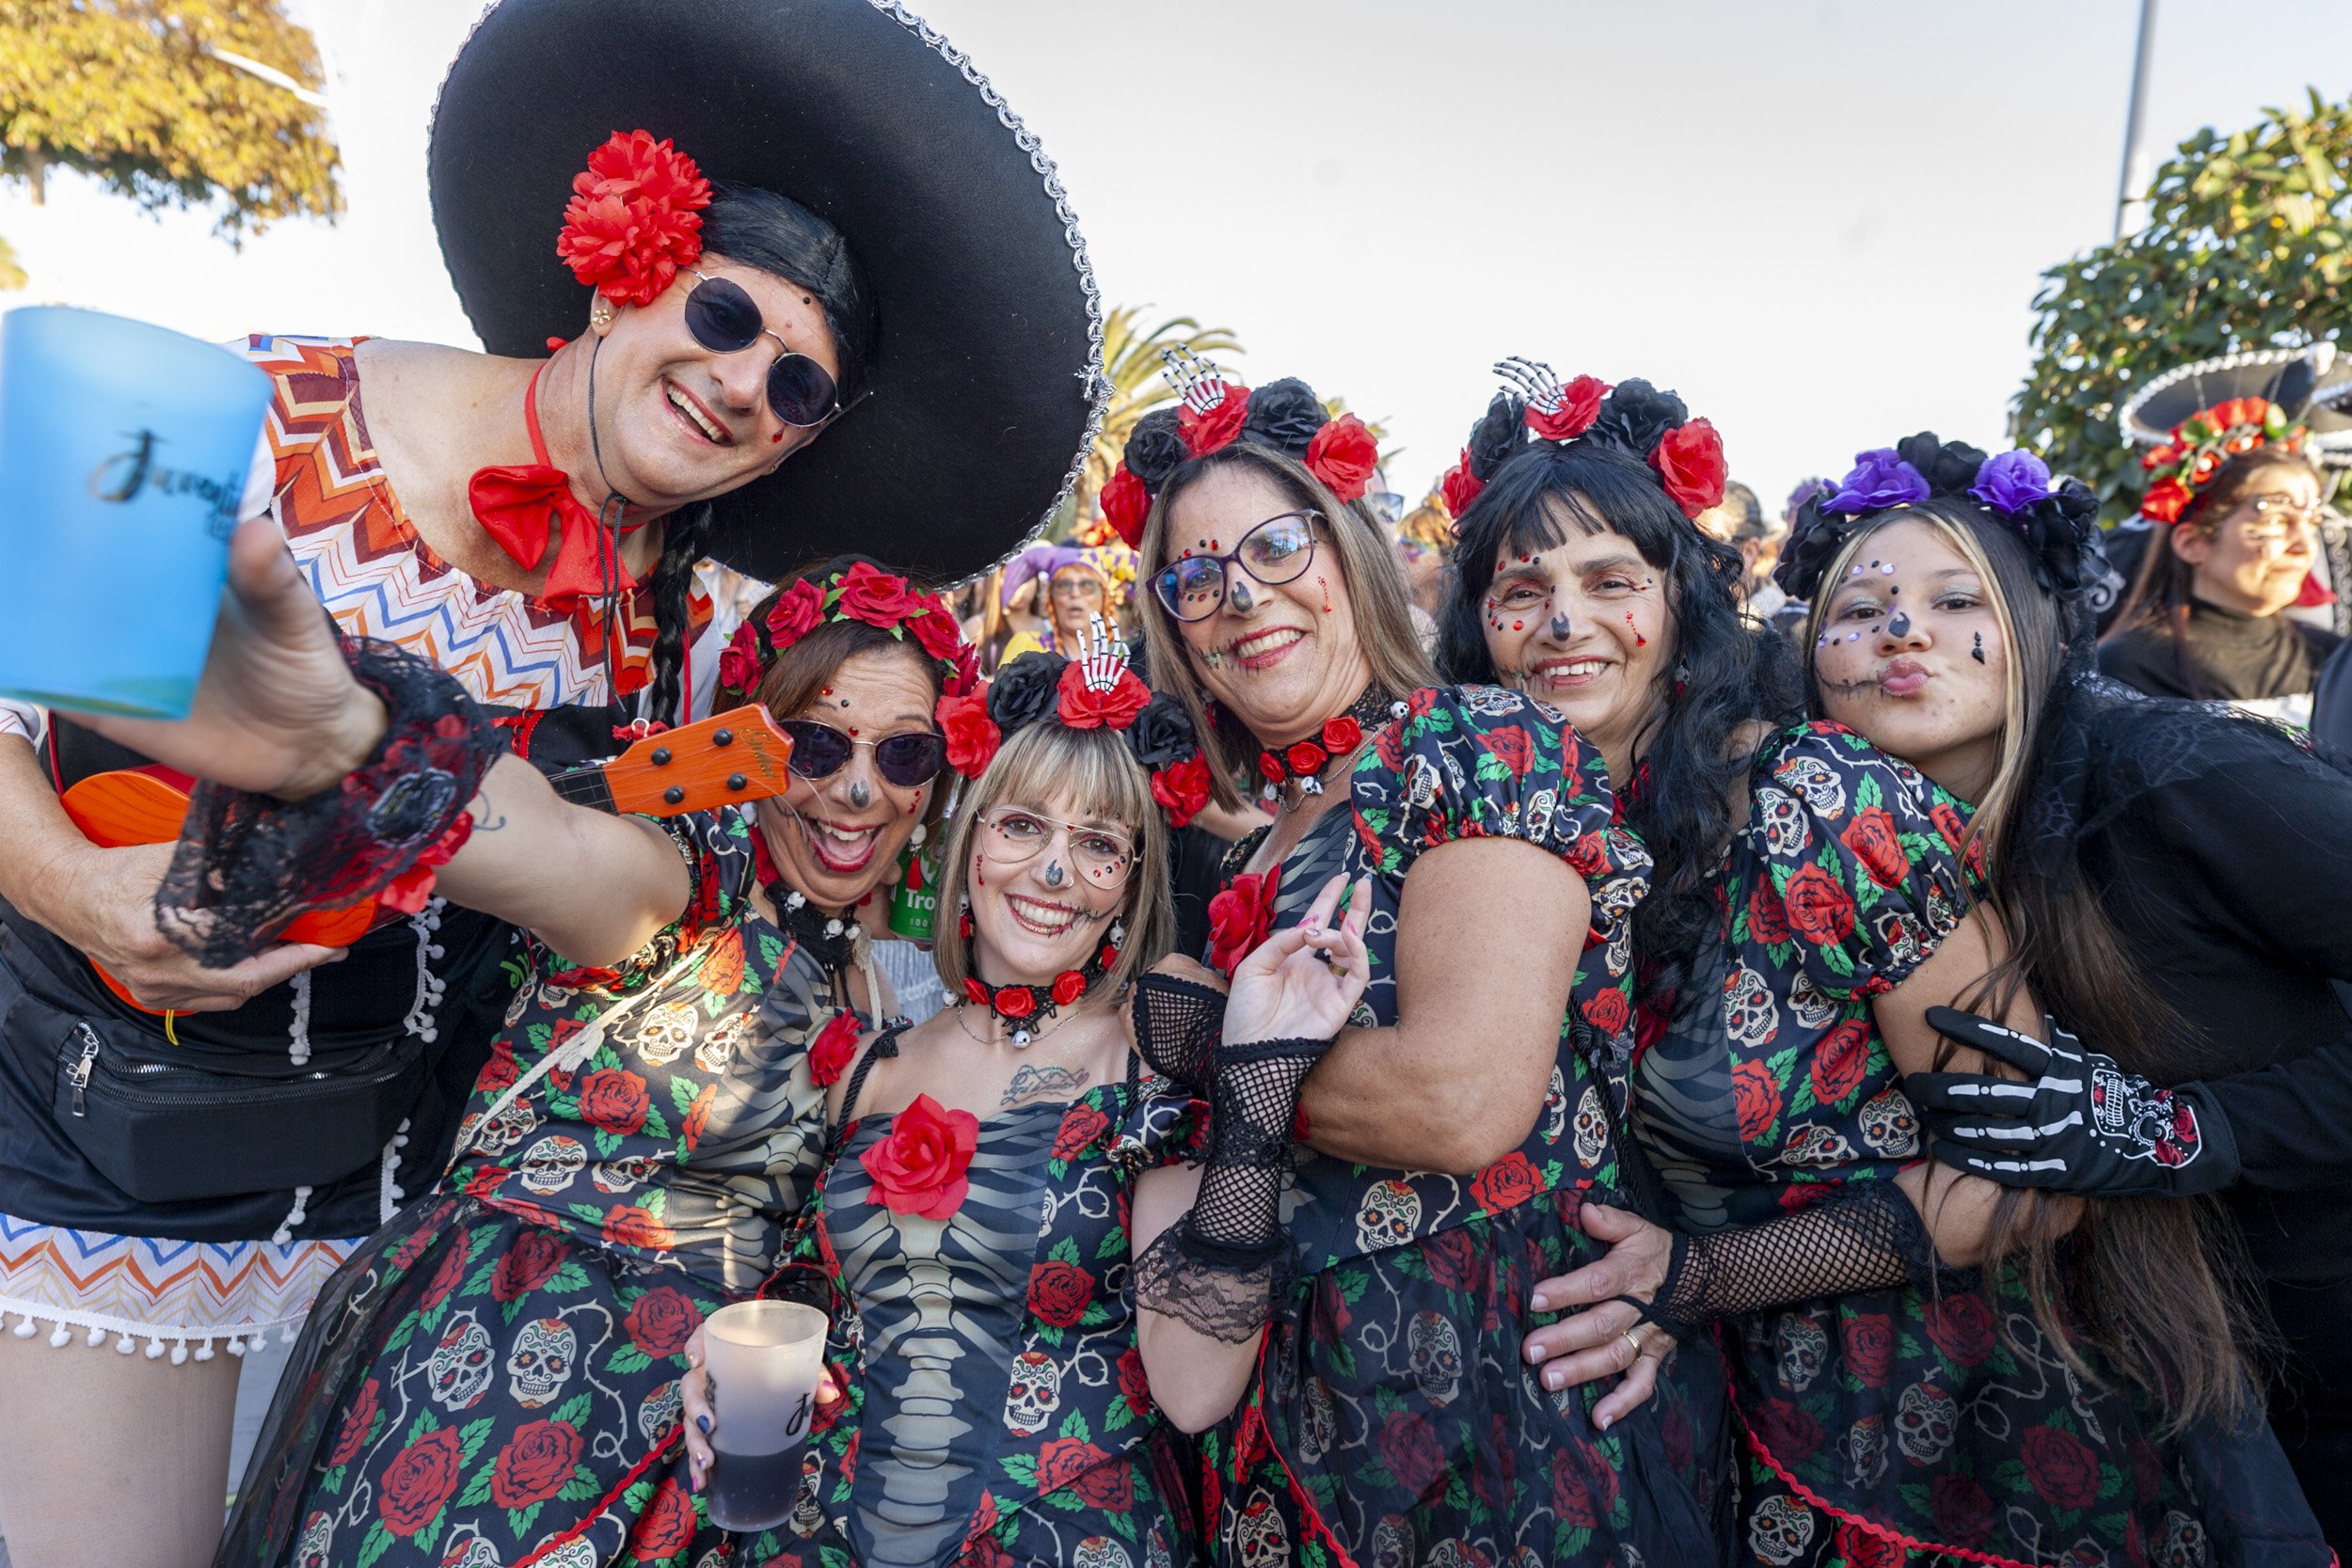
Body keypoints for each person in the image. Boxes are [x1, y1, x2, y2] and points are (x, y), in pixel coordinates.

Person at [0, 4, 1101, 1558]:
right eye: (726, 317)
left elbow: (655, 912)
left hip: (400, 1232)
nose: (741, 383)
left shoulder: (696, 640)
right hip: (104, 1165)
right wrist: (71, 882)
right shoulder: (254, 420)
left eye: (796, 386)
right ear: (618, 264)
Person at [1518, 435, 2329, 1566]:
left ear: (2040, 624)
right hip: (2190, 1326)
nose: (1903, 629)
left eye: (1956, 600)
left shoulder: (2176, 773)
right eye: (1860, 608)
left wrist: (2200, 1128)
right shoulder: (1863, 827)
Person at [1118, 354, 1725, 1564]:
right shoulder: (1240, 866)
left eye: (1276, 549)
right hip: (1288, 1449)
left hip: (1499, 1430)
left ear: (1350, 555)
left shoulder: (1476, 742)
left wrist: (1209, 1045)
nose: (1241, 597)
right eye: (1196, 577)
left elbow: (1459, 1100)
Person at [669, 626, 1335, 1567]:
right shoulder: (866, 1066)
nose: (1054, 870)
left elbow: (1193, 1389)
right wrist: (715, 1352)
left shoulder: (1152, 1059)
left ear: (1131, 881)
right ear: (969, 839)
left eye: (1098, 843)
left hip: (1068, 1537)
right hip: (811, 1532)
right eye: (1022, 824)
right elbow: (798, 1306)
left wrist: (1257, 1079)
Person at [2101, 388, 2343, 720]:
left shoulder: (2330, 659)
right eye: (2276, 519)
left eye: (2311, 522)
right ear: (2193, 543)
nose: (2304, 547)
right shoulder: (2126, 670)